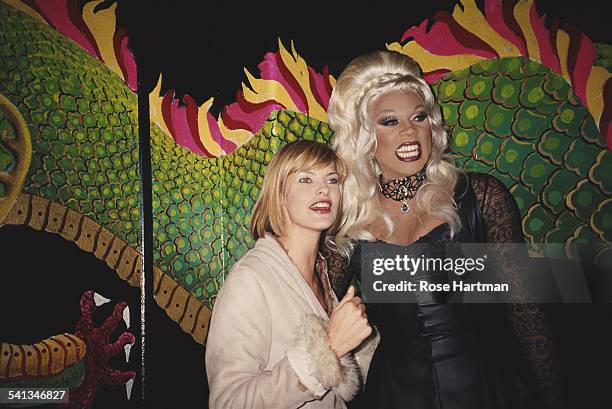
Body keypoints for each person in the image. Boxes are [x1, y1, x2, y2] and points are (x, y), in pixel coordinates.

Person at [326, 50, 563, 409]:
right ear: (365, 138)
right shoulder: (349, 219)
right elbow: (312, 301)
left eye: (418, 117)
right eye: (390, 121)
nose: (409, 131)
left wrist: (553, 398)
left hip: (488, 391)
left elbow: (525, 311)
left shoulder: (481, 197)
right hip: (394, 395)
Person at [206, 140, 377, 409]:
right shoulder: (251, 280)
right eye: (306, 179)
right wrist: (329, 348)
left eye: (331, 180)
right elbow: (229, 403)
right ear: (279, 195)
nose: (323, 189)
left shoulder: (322, 276)